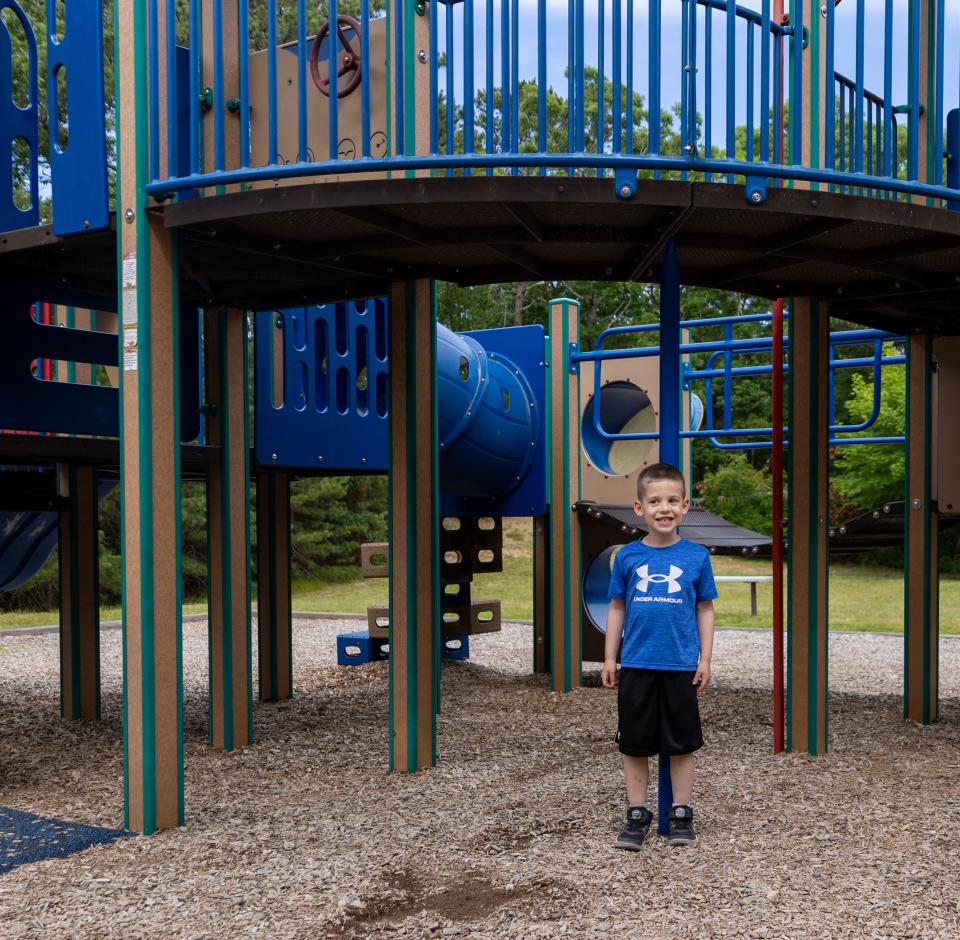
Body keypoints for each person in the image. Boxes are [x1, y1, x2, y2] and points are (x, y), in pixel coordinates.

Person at [601, 462, 717, 849]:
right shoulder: (628, 558)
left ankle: (681, 811)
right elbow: (616, 607)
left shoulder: (697, 557)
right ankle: (637, 813)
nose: (663, 508)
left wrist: (705, 659)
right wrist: (609, 658)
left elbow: (705, 608)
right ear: (639, 508)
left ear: (685, 506)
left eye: (671, 500)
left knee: (681, 743)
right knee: (634, 744)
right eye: (655, 501)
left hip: (680, 665)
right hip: (636, 664)